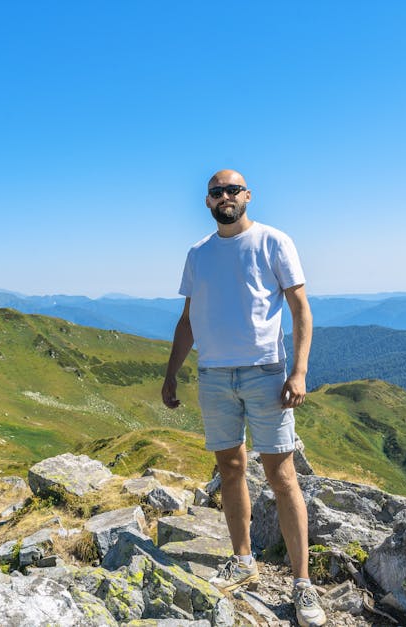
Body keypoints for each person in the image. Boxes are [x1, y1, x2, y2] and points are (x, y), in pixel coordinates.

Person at [162, 170, 325, 626]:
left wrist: (299, 371)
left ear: (248, 196)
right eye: (217, 192)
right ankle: (243, 559)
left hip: (265, 374)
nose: (225, 197)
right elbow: (188, 319)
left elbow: (300, 309)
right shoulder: (198, 254)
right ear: (208, 202)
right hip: (213, 376)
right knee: (230, 469)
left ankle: (302, 584)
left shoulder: (275, 242)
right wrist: (171, 374)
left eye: (233, 190)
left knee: (282, 474)